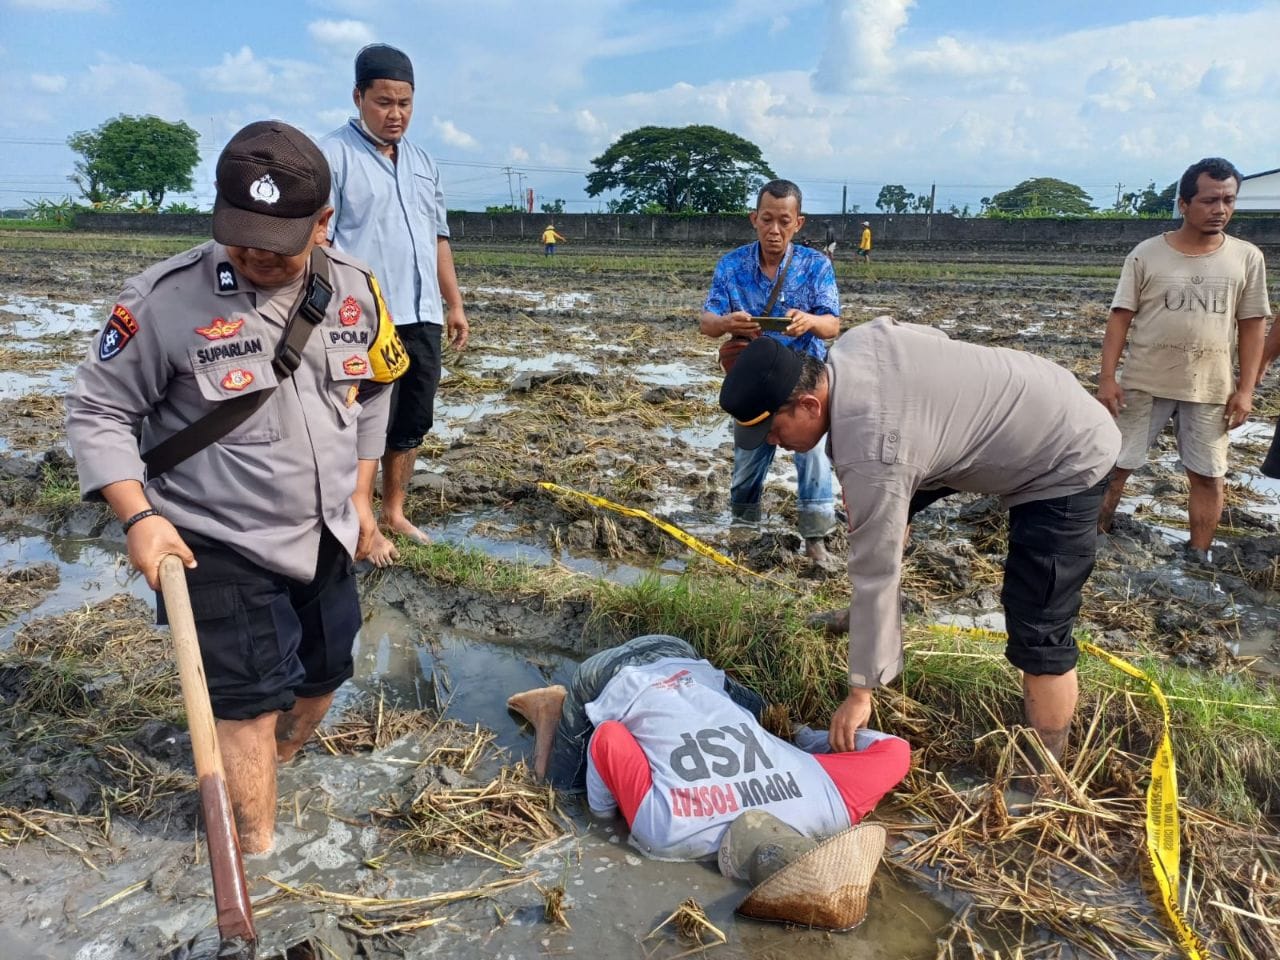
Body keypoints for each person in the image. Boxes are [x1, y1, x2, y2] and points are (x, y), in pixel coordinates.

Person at [65, 120, 403, 853]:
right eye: (242, 236)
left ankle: (270, 769)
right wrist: (139, 517)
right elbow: (98, 411)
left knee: (325, 673)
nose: (256, 255)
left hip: (324, 532)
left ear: (322, 222)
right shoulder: (164, 299)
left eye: (278, 243)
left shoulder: (355, 288)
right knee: (246, 704)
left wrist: (362, 496)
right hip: (214, 536)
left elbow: (378, 387)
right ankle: (256, 855)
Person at [719, 330, 1120, 764]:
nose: (773, 443)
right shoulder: (855, 346)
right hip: (1017, 403)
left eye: (773, 431)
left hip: (1067, 453)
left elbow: (876, 567)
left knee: (1039, 630)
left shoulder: (874, 448)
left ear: (810, 405)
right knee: (887, 512)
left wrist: (860, 692)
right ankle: (863, 621)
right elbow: (932, 339)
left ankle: (1045, 772)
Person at [505, 635, 909, 863]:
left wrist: (807, 740)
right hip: (608, 674)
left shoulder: (829, 808)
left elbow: (895, 750)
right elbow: (608, 736)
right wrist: (604, 819)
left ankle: (789, 730)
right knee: (563, 791)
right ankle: (550, 708)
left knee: (743, 712)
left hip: (689, 662)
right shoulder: (668, 834)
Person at [321, 43, 470, 560]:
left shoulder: (423, 162)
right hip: (362, 320)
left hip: (422, 315)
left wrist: (454, 304)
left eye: (405, 103)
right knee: (358, 420)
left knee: (411, 420)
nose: (396, 114)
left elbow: (438, 239)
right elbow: (321, 241)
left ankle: (395, 512)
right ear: (358, 97)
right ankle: (356, 518)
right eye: (384, 102)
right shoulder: (332, 156)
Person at [1096, 158, 1270, 564]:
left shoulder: (1247, 258)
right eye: (1209, 201)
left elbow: (1252, 326)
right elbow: (1120, 317)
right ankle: (1092, 536)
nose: (1220, 210)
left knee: (1208, 474)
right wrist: (1107, 378)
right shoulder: (1147, 253)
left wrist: (1245, 390)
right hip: (1143, 381)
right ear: (1183, 204)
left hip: (1210, 388)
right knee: (1114, 465)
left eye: (1228, 200)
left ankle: (1198, 556)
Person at [699, 180, 841, 563]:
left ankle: (816, 540)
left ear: (798, 223)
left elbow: (832, 325)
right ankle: (744, 534)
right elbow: (707, 322)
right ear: (754, 219)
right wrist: (727, 322)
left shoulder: (816, 266)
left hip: (803, 385)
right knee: (747, 460)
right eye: (766, 220)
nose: (774, 230)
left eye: (784, 221)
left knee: (813, 459)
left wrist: (809, 321)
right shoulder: (731, 265)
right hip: (755, 385)